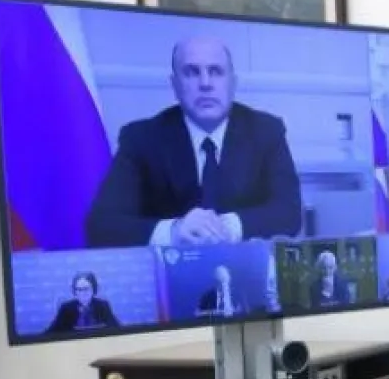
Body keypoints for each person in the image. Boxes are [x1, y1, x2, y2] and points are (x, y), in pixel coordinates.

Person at [84, 35, 302, 249]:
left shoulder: (266, 131)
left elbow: (289, 214)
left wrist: (228, 226)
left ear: (232, 83)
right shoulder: (142, 138)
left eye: (215, 72)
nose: (205, 83)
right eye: (191, 72)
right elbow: (102, 226)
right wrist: (173, 231)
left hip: (245, 276)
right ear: (175, 85)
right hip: (171, 280)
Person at [45, 270, 120, 333]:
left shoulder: (102, 305)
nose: (82, 293)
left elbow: (117, 329)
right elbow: (51, 333)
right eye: (79, 289)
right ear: (75, 291)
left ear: (93, 289)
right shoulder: (66, 308)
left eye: (86, 289)